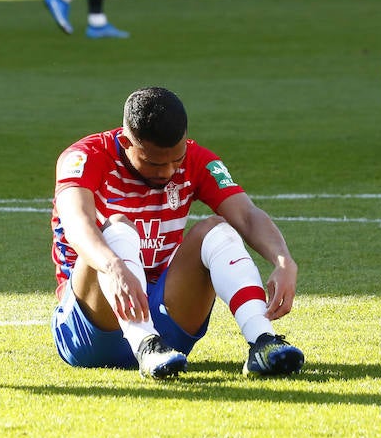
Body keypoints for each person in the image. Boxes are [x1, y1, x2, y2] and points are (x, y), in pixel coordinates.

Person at [50, 86, 304, 379]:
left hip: (168, 328)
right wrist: (114, 267)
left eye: (177, 159)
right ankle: (144, 343)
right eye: (154, 163)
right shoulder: (83, 157)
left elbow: (247, 215)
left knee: (217, 229)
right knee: (118, 226)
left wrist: (283, 260)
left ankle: (263, 342)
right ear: (126, 140)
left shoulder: (197, 159)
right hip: (92, 328)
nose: (168, 172)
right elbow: (77, 223)